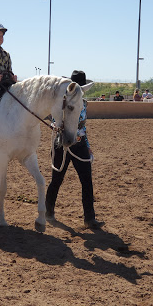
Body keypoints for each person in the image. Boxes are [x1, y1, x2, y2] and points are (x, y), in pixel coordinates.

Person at [45, 70, 104, 230]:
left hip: (80, 145)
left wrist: (88, 146)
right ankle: (47, 212)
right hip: (61, 145)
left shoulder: (83, 103)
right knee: (56, 180)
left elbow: (82, 126)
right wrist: (57, 125)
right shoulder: (61, 102)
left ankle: (90, 219)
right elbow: (52, 118)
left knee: (87, 182)